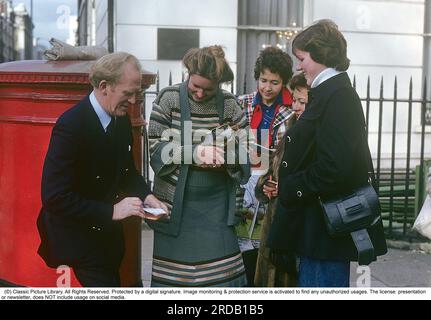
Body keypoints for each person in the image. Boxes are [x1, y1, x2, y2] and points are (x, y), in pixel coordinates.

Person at [267, 19, 387, 287]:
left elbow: (335, 167)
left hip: (323, 232)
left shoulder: (338, 96)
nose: (298, 66)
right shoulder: (329, 92)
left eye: (302, 58)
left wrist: (293, 187)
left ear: (321, 55)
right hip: (316, 227)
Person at [37, 52, 168, 287]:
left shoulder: (121, 119)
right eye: (128, 93)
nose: (133, 101)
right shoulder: (71, 125)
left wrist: (147, 196)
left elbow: (126, 172)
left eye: (136, 94)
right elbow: (54, 197)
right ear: (104, 86)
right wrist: (111, 211)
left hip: (108, 240)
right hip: (78, 242)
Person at [148, 45, 250, 287]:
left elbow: (248, 154)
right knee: (175, 284)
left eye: (209, 89)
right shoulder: (169, 98)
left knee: (221, 284)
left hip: (218, 208)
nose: (201, 94)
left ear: (220, 84)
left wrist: (227, 156)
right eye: (195, 87)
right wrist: (195, 153)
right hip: (175, 207)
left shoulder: (230, 105)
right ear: (187, 73)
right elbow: (155, 149)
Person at [237, 46, 294, 285]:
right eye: (263, 80)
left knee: (265, 247)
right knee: (242, 245)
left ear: (284, 83)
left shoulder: (291, 110)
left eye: (274, 82)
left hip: (271, 183)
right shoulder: (243, 103)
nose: (267, 87)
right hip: (244, 180)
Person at [253, 73, 309, 287]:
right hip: (275, 220)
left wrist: (284, 188)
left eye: (302, 101)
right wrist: (265, 185)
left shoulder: (314, 132)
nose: (295, 106)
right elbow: (275, 164)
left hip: (294, 222)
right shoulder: (292, 125)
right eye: (294, 99)